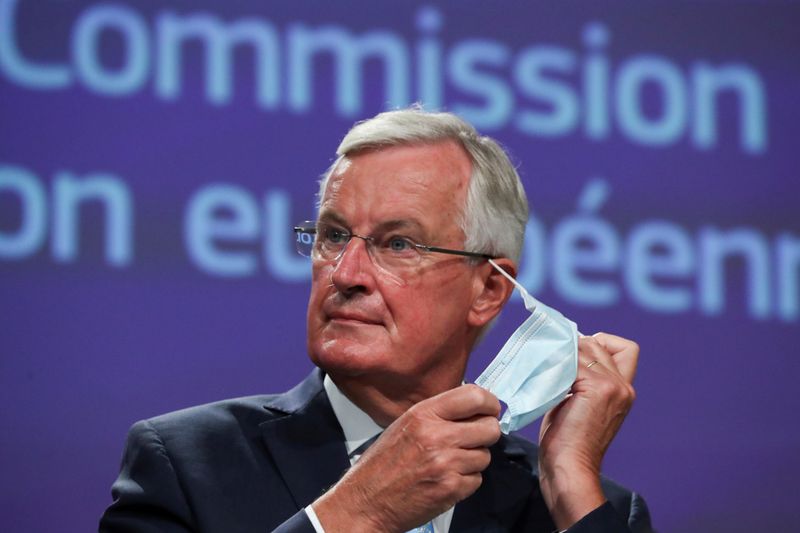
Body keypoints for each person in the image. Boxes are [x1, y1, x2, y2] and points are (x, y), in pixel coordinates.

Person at [100, 108, 653, 532]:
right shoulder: (185, 462)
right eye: (333, 235)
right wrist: (357, 513)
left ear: (487, 290)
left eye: (398, 243)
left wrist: (569, 481)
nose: (346, 272)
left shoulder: (584, 507)